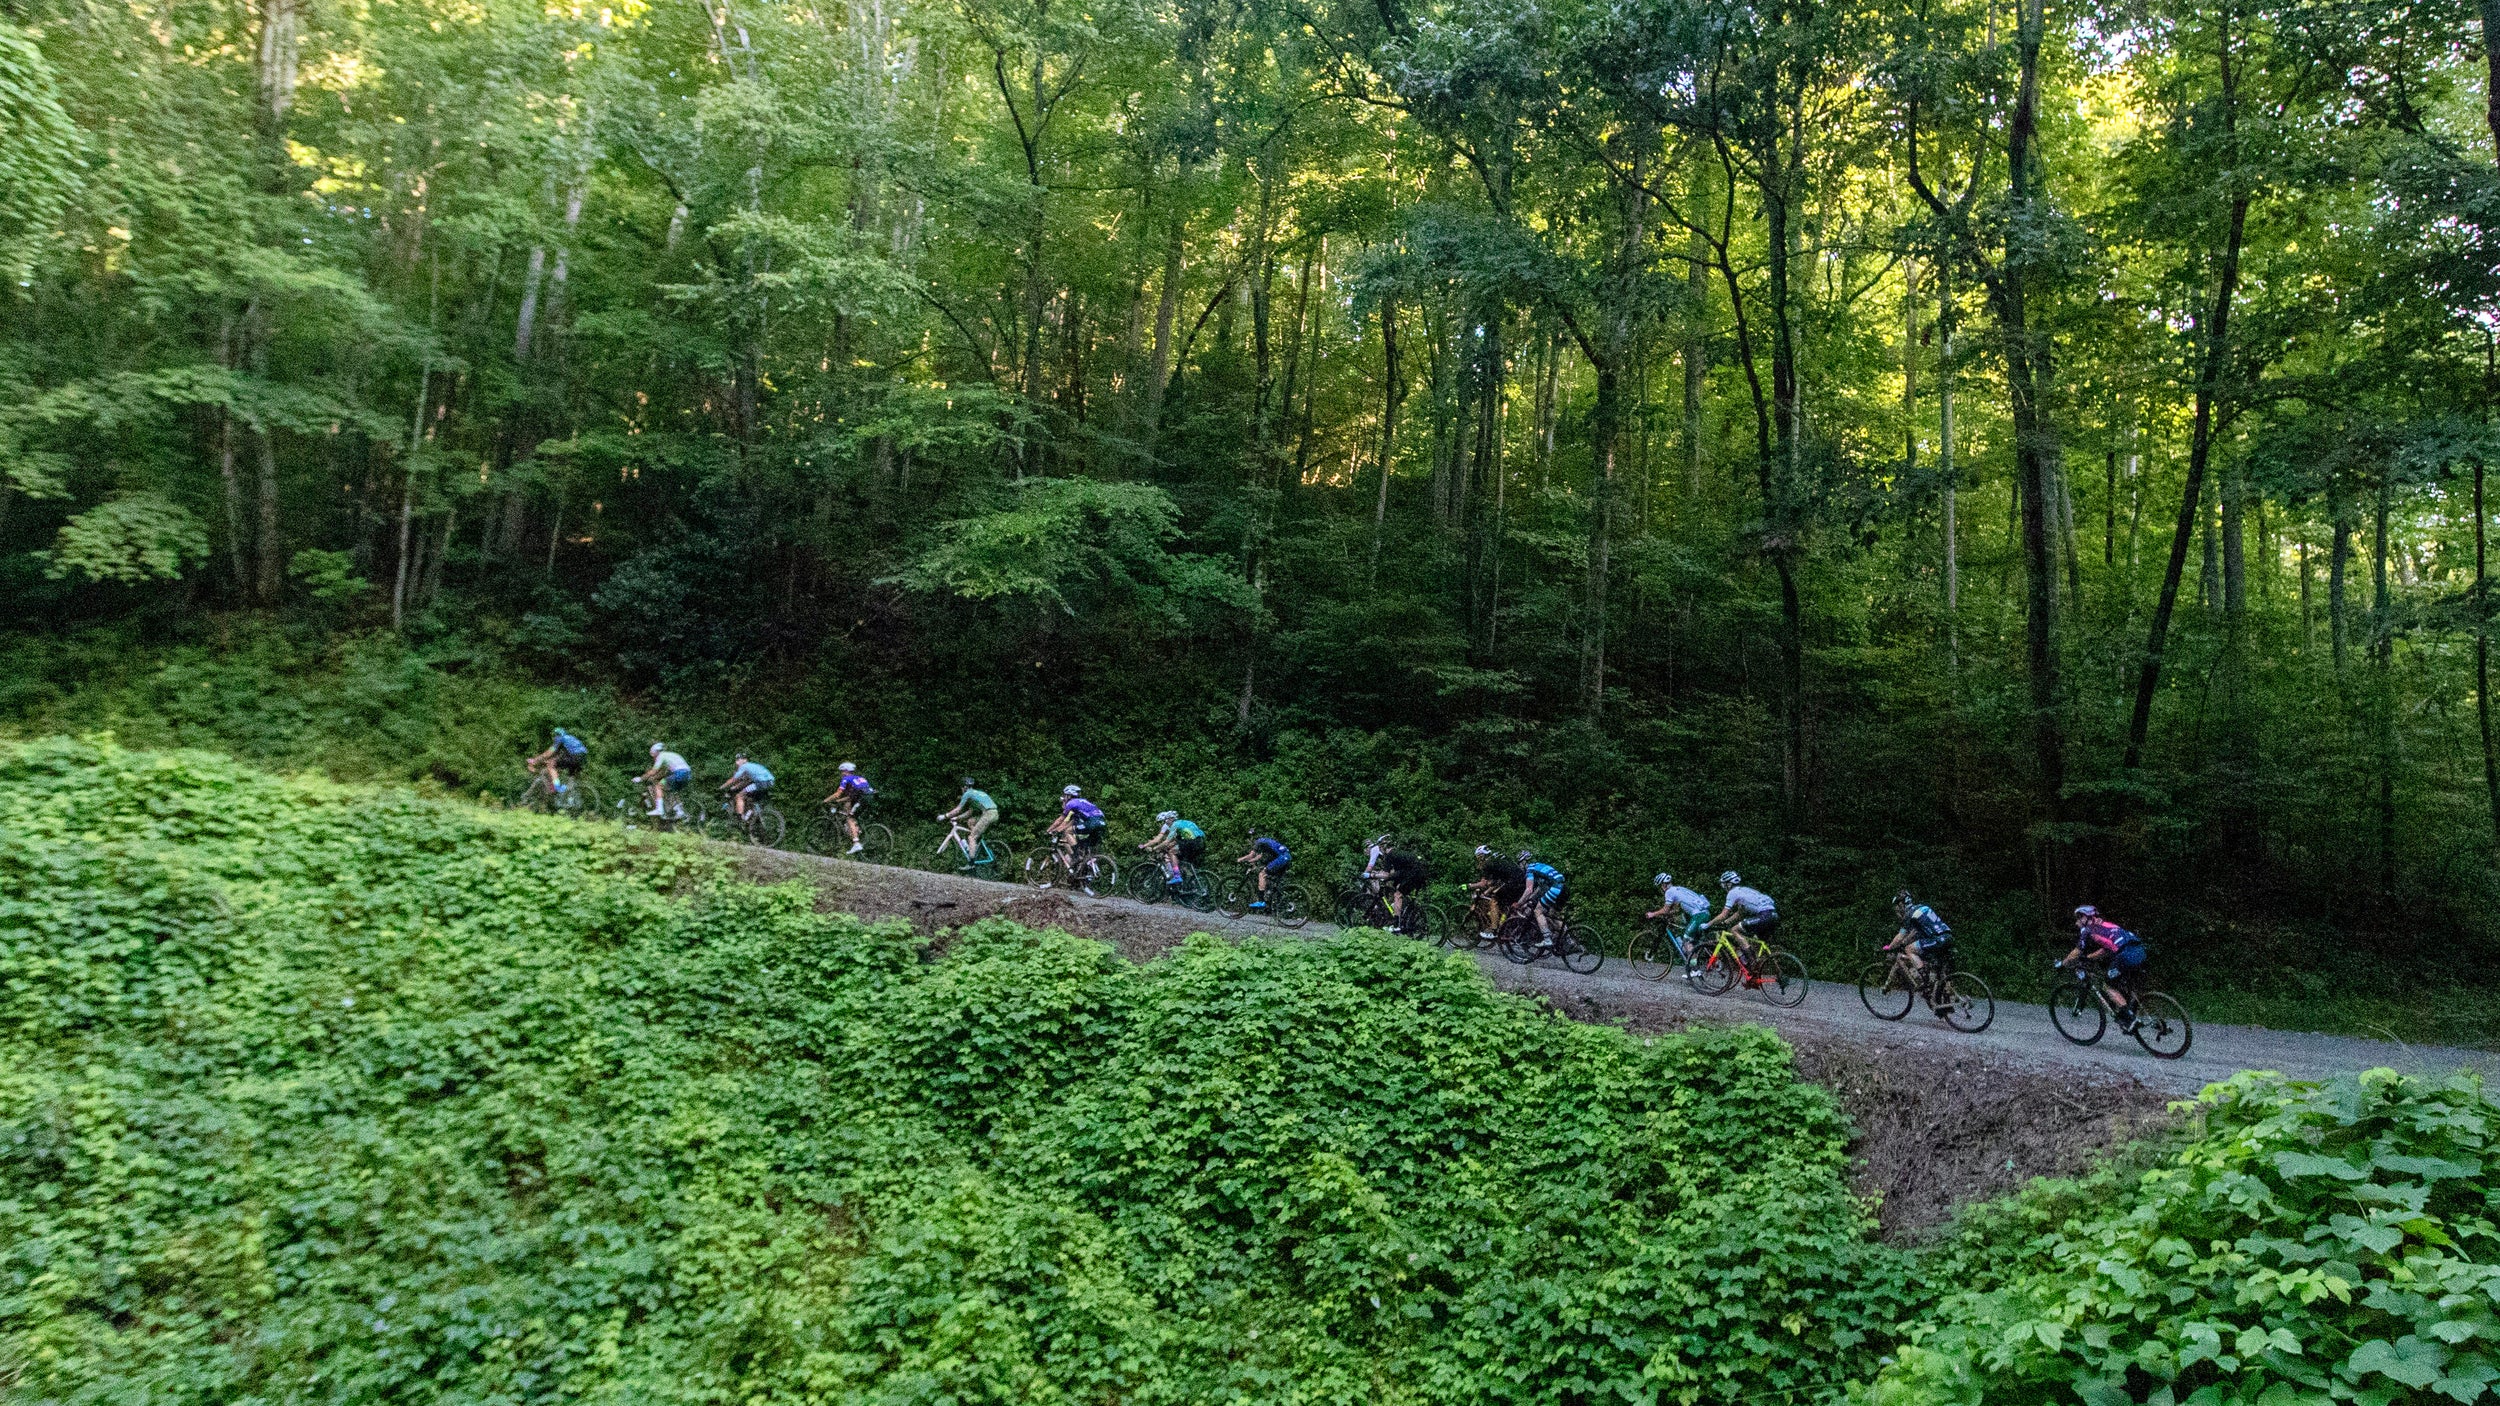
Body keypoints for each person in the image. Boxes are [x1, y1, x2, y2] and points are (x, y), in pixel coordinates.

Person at [2061, 904, 2147, 1025]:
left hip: (2126, 956)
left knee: (2107, 985)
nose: (2077, 922)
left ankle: (2131, 1019)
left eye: (2079, 918)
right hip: (2139, 950)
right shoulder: (2107, 925)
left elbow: (2077, 951)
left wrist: (2063, 963)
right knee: (2121, 981)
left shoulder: (2088, 930)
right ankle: (2130, 1007)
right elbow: (2106, 949)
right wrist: (2088, 958)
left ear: (2086, 917)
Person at [1706, 871, 1780, 963]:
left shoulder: (1733, 893)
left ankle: (1752, 961)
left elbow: (1724, 914)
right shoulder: (1745, 890)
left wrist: (1708, 924)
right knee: (1755, 940)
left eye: (1724, 885)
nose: (1723, 887)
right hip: (1773, 915)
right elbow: (1740, 913)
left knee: (1734, 930)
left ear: (1729, 884)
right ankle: (1763, 967)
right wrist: (1724, 923)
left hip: (1764, 915)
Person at [1886, 890, 1954, 990]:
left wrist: (1890, 947)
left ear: (1901, 904)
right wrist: (1905, 942)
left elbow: (1900, 936)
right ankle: (1938, 988)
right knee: (1931, 963)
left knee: (1909, 949)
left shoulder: (1909, 914)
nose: (1897, 911)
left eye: (1897, 907)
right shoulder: (1922, 908)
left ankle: (1924, 980)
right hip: (1948, 936)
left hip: (1937, 939)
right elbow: (1915, 932)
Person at [1362, 833, 1430, 928]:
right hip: (1422, 872)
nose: (1380, 850)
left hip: (1413, 874)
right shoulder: (1398, 853)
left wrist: (1371, 875)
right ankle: (1407, 916)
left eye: (1380, 848)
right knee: (1399, 888)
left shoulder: (1390, 856)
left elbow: (1386, 874)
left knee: (1398, 895)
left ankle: (1396, 925)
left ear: (1383, 847)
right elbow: (1397, 873)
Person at [1645, 873, 1713, 960]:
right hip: (1705, 913)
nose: (1661, 889)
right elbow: (1678, 910)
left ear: (1664, 885)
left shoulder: (1669, 892)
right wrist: (1670, 914)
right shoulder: (1679, 889)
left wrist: (1652, 914)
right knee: (1693, 943)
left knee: (1686, 941)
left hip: (1698, 916)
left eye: (1660, 886)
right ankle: (1695, 964)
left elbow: (1665, 909)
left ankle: (1695, 970)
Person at [1470, 845, 1527, 940]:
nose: (1479, 860)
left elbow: (1484, 883)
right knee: (1504, 901)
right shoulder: (1498, 858)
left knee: (1494, 901)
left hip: (1513, 883)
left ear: (1483, 856)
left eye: (1479, 857)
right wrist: (1486, 893)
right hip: (1522, 881)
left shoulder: (1488, 863)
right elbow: (1495, 882)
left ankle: (1494, 931)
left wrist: (1469, 886)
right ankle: (1505, 927)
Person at [938, 778, 999, 860]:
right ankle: (975, 846)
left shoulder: (968, 794)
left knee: (971, 837)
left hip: (988, 814)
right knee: (971, 822)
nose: (961, 790)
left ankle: (971, 862)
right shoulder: (977, 793)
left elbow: (957, 810)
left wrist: (944, 816)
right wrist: (958, 818)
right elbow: (970, 812)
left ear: (965, 787)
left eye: (962, 788)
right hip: (994, 813)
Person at [821, 762, 876, 853]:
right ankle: (857, 833)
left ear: (846, 771)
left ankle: (856, 843)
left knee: (849, 818)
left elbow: (838, 794)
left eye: (842, 771)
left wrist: (826, 800)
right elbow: (851, 796)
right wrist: (839, 801)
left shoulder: (846, 779)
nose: (841, 774)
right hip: (870, 798)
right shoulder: (859, 778)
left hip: (862, 799)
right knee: (853, 816)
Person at [1047, 785, 1108, 863]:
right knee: (1083, 846)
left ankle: (1076, 856)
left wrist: (1049, 830)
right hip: (1102, 823)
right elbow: (1071, 822)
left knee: (1067, 832)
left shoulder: (1071, 803)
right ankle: (1086, 867)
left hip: (1091, 823)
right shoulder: (1083, 802)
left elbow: (1060, 820)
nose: (1064, 798)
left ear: (1069, 795)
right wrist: (1058, 830)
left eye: (1065, 796)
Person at [1142, 810, 1205, 884]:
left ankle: (1177, 876)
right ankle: (1187, 880)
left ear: (1171, 819)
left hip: (1192, 843)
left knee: (1171, 852)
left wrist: (1155, 848)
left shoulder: (1175, 825)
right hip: (1201, 842)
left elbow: (1166, 841)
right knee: (1181, 859)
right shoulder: (1183, 822)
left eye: (1166, 821)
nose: (1166, 823)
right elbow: (1178, 839)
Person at [1519, 850, 1566, 946]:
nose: (1520, 866)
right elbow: (1540, 888)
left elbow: (1528, 890)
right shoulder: (1540, 866)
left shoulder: (1530, 869)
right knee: (1553, 915)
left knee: (1538, 911)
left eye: (1520, 863)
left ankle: (1547, 939)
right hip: (1564, 888)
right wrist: (1530, 900)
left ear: (1524, 862)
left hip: (1555, 888)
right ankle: (1569, 940)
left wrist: (1519, 903)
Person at [1236, 829, 1291, 910]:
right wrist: (1250, 861)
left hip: (1281, 858)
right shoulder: (1265, 841)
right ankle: (1276, 900)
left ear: (1253, 837)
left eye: (1250, 837)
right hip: (1287, 857)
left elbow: (1251, 855)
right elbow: (1259, 856)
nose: (1249, 840)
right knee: (1273, 880)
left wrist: (1240, 859)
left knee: (1262, 874)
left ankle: (1261, 901)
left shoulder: (1258, 842)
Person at [527, 727, 589, 796]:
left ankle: (557, 787)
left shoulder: (560, 738)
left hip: (575, 757)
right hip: (583, 758)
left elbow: (548, 753)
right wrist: (550, 760)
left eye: (554, 736)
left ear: (557, 735)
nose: (553, 738)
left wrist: (534, 760)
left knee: (551, 765)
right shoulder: (570, 738)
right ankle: (570, 794)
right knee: (566, 772)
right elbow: (561, 756)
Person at [639, 742, 693, 820]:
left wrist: (641, 778)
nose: (654, 758)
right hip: (687, 775)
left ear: (656, 752)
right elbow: (665, 772)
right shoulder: (670, 755)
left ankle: (659, 810)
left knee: (658, 786)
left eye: (653, 756)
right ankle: (680, 811)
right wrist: (657, 778)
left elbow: (653, 771)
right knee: (671, 791)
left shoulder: (661, 756)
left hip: (680, 773)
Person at [721, 752, 775, 820]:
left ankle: (740, 818)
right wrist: (737, 786)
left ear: (744, 760)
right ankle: (752, 816)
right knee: (751, 799)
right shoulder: (753, 765)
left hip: (761, 783)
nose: (737, 762)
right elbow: (746, 781)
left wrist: (723, 786)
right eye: (736, 760)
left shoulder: (744, 766)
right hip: (771, 782)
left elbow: (733, 779)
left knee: (739, 796)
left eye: (738, 760)